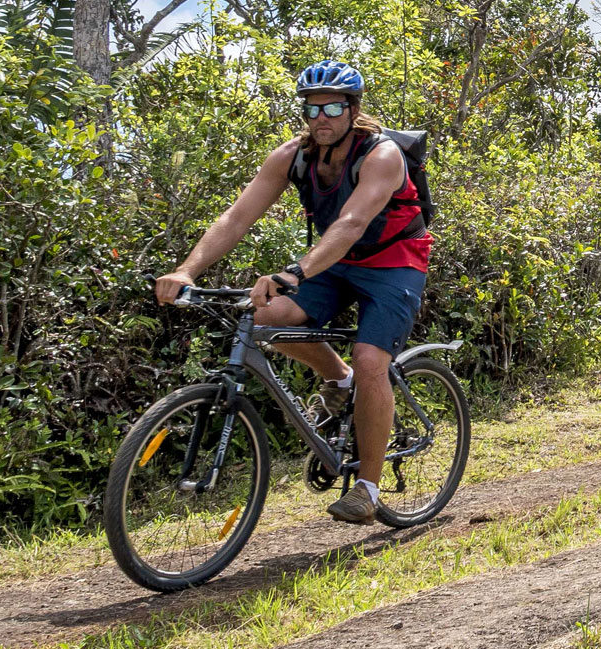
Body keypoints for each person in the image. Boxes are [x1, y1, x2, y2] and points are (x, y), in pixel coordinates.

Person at [153, 60, 432, 524]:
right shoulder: (292, 156)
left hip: (393, 262)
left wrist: (293, 273)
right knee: (259, 319)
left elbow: (351, 223)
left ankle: (367, 488)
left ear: (353, 109)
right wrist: (186, 271)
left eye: (333, 107)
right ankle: (337, 380)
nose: (321, 117)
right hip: (334, 262)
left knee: (371, 361)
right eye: (312, 107)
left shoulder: (381, 155)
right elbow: (236, 218)